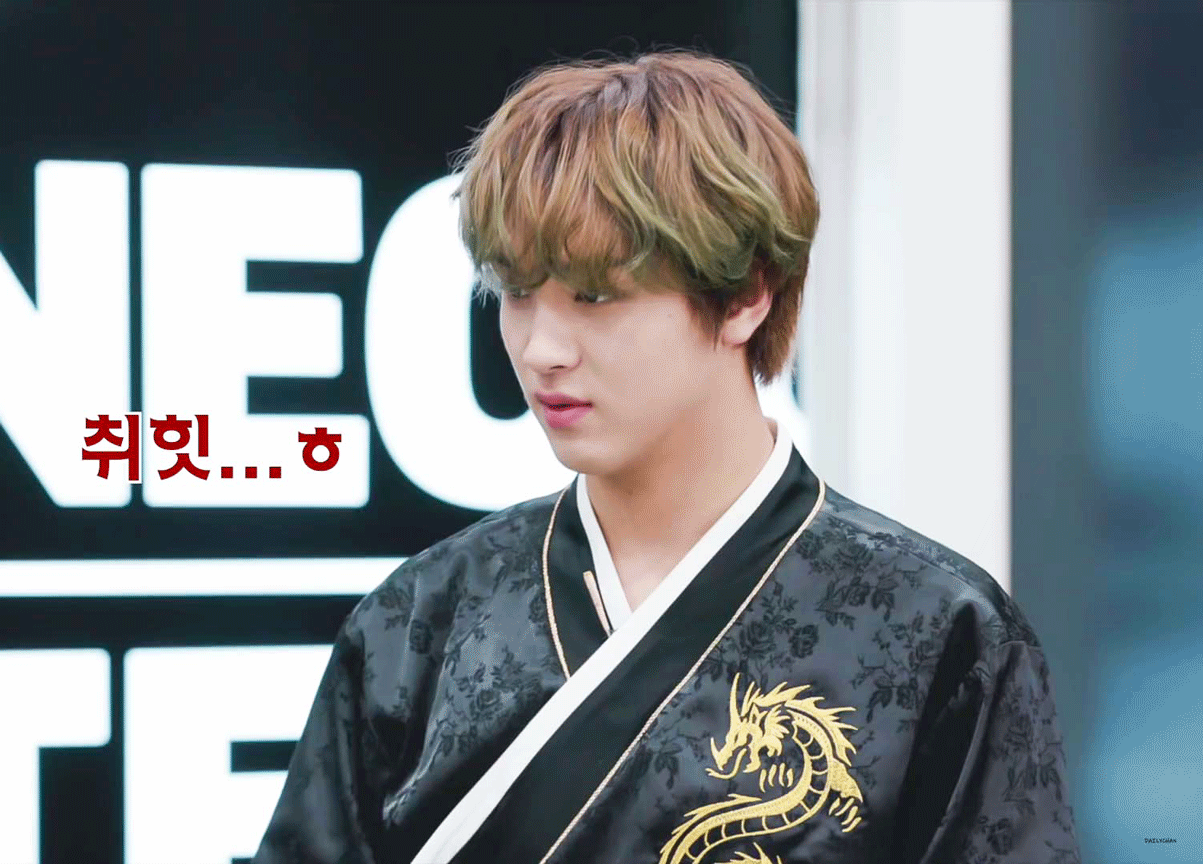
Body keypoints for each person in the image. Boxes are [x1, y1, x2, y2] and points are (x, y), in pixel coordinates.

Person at [252, 49, 1081, 864]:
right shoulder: (419, 621)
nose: (540, 350)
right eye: (517, 293)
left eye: (594, 295)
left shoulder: (937, 630)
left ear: (744, 295)